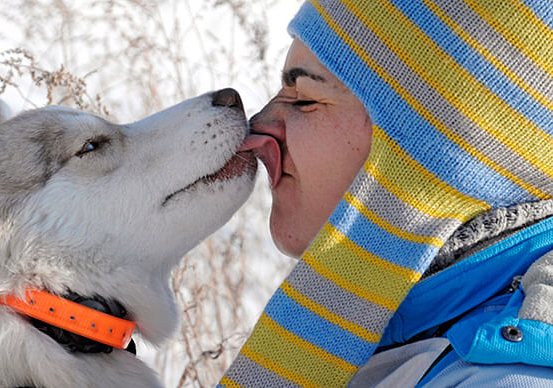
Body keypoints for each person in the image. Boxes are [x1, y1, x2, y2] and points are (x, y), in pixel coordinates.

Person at [221, 0, 553, 386]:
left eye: (306, 100)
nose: (256, 129)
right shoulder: (408, 334)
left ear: (437, 148)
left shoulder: (504, 379)